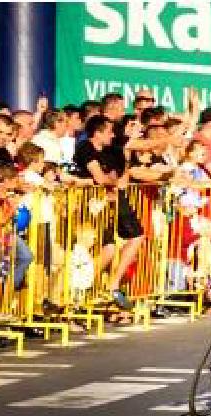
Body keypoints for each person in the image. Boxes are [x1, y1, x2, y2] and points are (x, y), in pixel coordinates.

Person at [73, 115, 144, 309]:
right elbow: (101, 178)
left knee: (119, 244)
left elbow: (114, 173)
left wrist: (116, 177)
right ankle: (78, 292)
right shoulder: (85, 148)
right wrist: (114, 182)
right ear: (98, 132)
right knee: (96, 250)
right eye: (109, 132)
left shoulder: (110, 150)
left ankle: (108, 285)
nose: (112, 135)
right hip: (88, 205)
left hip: (109, 204)